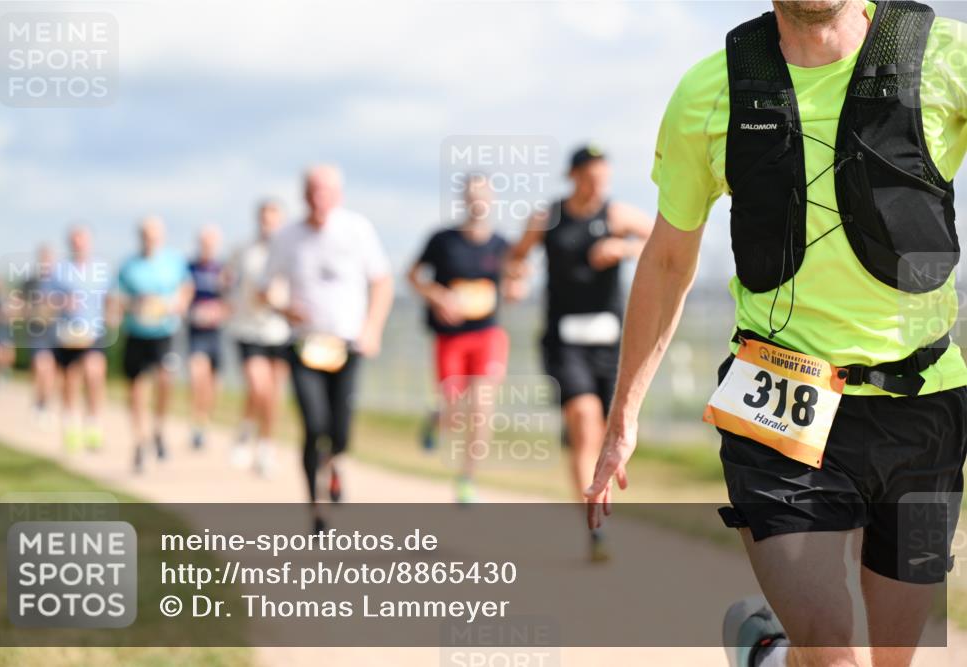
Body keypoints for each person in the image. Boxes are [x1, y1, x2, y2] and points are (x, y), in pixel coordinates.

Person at [586, 2, 967, 666]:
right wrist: (624, 415)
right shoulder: (713, 89)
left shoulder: (944, 57)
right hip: (777, 399)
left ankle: (766, 656)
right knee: (831, 652)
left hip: (922, 404)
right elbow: (670, 258)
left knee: (894, 657)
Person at [506, 145, 652, 561]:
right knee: (584, 418)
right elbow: (515, 259)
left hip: (610, 342)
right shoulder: (547, 217)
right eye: (589, 177)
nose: (597, 186)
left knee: (609, 428)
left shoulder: (619, 216)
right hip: (563, 339)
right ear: (573, 177)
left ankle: (601, 497)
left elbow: (663, 242)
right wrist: (515, 280)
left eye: (603, 178)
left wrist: (622, 248)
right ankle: (594, 524)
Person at [263, 164, 393, 531]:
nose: (319, 199)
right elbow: (265, 288)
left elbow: (381, 281)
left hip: (347, 344)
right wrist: (282, 305)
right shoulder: (287, 236)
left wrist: (373, 329)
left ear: (338, 195)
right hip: (304, 344)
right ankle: (316, 509)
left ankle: (335, 464)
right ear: (304, 195)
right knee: (312, 423)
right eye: (313, 191)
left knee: (340, 429)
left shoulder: (357, 229)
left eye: (326, 192)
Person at [407, 173, 521, 503]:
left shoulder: (502, 246)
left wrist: (515, 288)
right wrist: (438, 296)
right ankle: (435, 420)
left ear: (493, 199)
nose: (478, 201)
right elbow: (413, 276)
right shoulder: (442, 240)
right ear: (463, 200)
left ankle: (467, 478)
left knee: (483, 406)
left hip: (487, 333)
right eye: (472, 195)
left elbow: (515, 283)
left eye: (483, 194)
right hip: (450, 338)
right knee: (454, 412)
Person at [117, 216, 193, 473]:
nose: (151, 239)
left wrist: (180, 303)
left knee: (165, 379)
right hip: (137, 331)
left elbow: (186, 287)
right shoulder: (129, 265)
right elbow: (117, 297)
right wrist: (134, 304)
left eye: (155, 235)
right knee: (136, 388)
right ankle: (139, 441)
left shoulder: (174, 261)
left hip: (164, 331)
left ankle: (158, 428)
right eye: (146, 235)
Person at [225, 199, 292, 476]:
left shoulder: (292, 250)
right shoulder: (245, 251)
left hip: (282, 330)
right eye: (265, 218)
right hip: (249, 329)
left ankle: (266, 445)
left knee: (274, 394)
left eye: (274, 218)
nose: (269, 223)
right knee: (259, 386)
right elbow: (228, 281)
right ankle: (246, 429)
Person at [53, 225, 113, 452]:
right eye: (75, 240)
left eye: (83, 240)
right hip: (68, 332)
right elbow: (47, 300)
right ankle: (70, 427)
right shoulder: (60, 270)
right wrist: (61, 302)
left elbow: (110, 297)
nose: (79, 244)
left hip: (94, 331)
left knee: (94, 374)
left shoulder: (101, 269)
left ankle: (93, 425)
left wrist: (112, 315)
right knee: (70, 380)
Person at [186, 225, 228, 450]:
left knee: (212, 384)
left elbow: (232, 303)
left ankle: (205, 420)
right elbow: (182, 298)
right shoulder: (189, 268)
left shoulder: (223, 270)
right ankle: (197, 422)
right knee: (196, 376)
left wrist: (219, 311)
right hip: (196, 334)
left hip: (216, 334)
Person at [21, 244, 60, 425]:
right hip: (37, 329)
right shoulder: (30, 282)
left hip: (56, 330)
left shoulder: (60, 282)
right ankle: (38, 401)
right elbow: (19, 305)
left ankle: (45, 403)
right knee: (40, 365)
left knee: (50, 369)